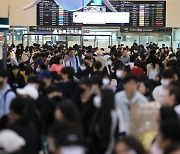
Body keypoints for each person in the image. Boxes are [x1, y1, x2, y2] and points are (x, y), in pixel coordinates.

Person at [88, 89, 118, 154]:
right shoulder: (98, 112)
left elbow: (111, 134)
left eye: (100, 96)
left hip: (107, 148)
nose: (97, 98)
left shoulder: (113, 114)